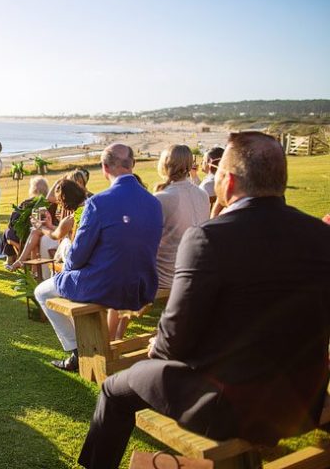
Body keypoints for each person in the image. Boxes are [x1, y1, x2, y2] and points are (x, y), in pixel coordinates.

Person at [78, 132, 330, 469]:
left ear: (227, 182)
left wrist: (158, 345)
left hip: (233, 405)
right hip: (305, 396)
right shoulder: (320, 234)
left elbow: (173, 343)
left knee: (113, 388)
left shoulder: (209, 238)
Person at [33, 144, 163, 372]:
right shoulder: (154, 203)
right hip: (143, 285)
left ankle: (76, 350)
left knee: (41, 292)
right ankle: (83, 348)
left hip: (107, 286)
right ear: (132, 164)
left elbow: (75, 259)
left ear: (104, 168)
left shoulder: (98, 203)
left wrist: (69, 262)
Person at [153, 145, 211, 290]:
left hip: (168, 276)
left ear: (164, 164)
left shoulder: (163, 198)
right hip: (197, 269)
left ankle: (115, 311)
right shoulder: (202, 194)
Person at [8, 179, 87, 276]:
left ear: (65, 199)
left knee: (38, 232)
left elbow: (55, 236)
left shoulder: (70, 219)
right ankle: (25, 263)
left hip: (75, 256)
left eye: (60, 201)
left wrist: (41, 227)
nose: (60, 204)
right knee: (37, 232)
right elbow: (65, 231)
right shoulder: (89, 207)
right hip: (87, 251)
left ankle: (35, 270)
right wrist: (49, 226)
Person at [0, 176, 49, 265]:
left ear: (33, 189)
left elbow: (12, 222)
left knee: (7, 231)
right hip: (44, 233)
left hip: (26, 237)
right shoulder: (49, 204)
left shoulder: (26, 203)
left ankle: (10, 258)